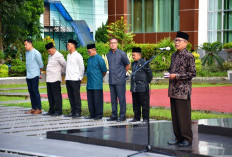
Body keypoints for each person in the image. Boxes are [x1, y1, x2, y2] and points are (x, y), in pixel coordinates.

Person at [166, 31, 196, 147]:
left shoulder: (189, 56)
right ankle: (178, 137)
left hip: (183, 91)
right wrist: (169, 74)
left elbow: (192, 73)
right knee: (175, 116)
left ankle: (187, 139)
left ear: (186, 43)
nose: (176, 43)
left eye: (178, 40)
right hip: (173, 90)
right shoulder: (174, 55)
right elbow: (171, 69)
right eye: (175, 40)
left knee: (183, 117)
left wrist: (176, 76)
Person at [106, 38, 130, 122]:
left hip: (120, 80)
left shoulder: (122, 54)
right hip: (111, 80)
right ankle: (114, 115)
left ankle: (122, 116)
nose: (113, 44)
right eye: (111, 43)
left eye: (114, 43)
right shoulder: (108, 54)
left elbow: (127, 65)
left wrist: (123, 73)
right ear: (109, 44)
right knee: (113, 99)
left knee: (121, 99)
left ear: (117, 44)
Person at [129, 47, 153, 123]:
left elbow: (150, 74)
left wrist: (146, 82)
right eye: (132, 55)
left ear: (139, 55)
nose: (133, 57)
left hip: (142, 87)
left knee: (144, 103)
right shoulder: (133, 63)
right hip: (134, 87)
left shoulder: (144, 63)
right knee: (135, 103)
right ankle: (136, 117)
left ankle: (145, 118)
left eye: (134, 55)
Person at [43, 42, 66, 116]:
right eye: (48, 52)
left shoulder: (59, 56)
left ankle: (58, 111)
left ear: (53, 48)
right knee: (50, 96)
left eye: (49, 51)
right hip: (49, 79)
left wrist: (61, 73)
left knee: (56, 96)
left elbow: (65, 65)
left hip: (55, 78)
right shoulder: (50, 56)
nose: (49, 53)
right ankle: (51, 110)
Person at [85, 43, 107, 120]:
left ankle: (99, 115)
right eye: (88, 51)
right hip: (90, 83)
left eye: (89, 51)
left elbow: (104, 71)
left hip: (97, 83)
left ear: (94, 50)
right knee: (90, 100)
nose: (88, 53)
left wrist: (99, 77)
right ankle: (92, 114)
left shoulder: (99, 59)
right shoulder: (89, 59)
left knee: (97, 100)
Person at [65, 39, 85, 118]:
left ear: (73, 45)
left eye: (68, 44)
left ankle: (78, 112)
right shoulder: (68, 55)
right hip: (68, 78)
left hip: (75, 79)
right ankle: (73, 111)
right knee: (70, 96)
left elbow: (82, 68)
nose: (67, 46)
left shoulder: (78, 55)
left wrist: (80, 77)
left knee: (76, 96)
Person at [24, 39, 44, 114]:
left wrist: (39, 73)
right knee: (31, 91)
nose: (25, 46)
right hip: (28, 75)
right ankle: (33, 108)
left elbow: (41, 64)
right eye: (24, 45)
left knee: (35, 91)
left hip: (35, 75)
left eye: (26, 44)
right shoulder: (27, 53)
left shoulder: (36, 53)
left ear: (30, 44)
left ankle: (39, 108)